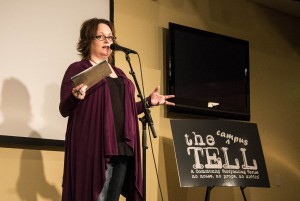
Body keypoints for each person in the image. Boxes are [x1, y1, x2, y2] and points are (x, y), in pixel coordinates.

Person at [59, 18, 175, 201]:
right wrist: (75, 97)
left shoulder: (120, 73)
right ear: (88, 40)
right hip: (95, 147)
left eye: (110, 37)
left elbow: (124, 111)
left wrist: (148, 102)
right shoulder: (79, 69)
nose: (108, 41)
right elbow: (64, 109)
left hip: (122, 148)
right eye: (101, 36)